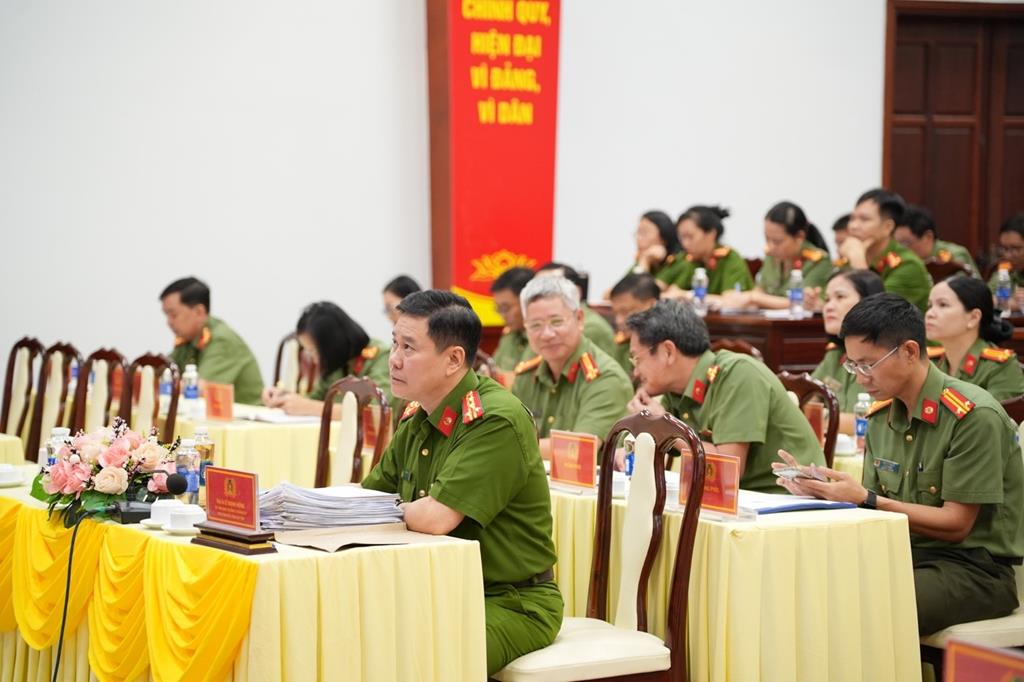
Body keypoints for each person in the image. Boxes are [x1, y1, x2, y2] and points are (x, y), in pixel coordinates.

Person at [773, 293, 1023, 636]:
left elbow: (956, 524)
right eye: (853, 366)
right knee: (799, 578)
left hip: (974, 571)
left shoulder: (972, 416)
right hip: (902, 554)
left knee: (866, 605)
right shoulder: (881, 417)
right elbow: (873, 510)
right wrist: (826, 491)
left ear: (909, 351)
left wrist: (866, 499)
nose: (860, 378)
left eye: (868, 364)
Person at [360, 290, 562, 675]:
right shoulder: (417, 415)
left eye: (408, 347)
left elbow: (436, 518)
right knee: (352, 633)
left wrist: (380, 510)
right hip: (434, 589)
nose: (394, 359)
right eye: (394, 344)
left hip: (509, 600)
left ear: (454, 359)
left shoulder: (494, 419)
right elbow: (370, 495)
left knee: (423, 658)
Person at [625, 299, 825, 492]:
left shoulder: (737, 373)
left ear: (668, 351)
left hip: (788, 498)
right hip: (738, 500)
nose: (635, 372)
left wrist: (663, 426)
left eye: (637, 359)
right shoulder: (675, 389)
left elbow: (728, 471)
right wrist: (628, 448)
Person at [511, 276, 633, 457]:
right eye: (536, 325)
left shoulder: (606, 378)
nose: (547, 334)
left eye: (556, 322)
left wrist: (509, 447)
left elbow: (579, 449)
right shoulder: (526, 376)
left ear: (580, 319)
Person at [261, 302, 391, 416]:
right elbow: (315, 399)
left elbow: (376, 413)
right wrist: (284, 398)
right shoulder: (337, 365)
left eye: (314, 352)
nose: (315, 361)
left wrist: (308, 407)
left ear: (331, 345)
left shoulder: (381, 358)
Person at [161, 277, 264, 405]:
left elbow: (197, 389)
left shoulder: (222, 340)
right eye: (166, 315)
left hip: (250, 415)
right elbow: (165, 371)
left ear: (199, 312)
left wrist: (158, 385)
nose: (169, 322)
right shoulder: (187, 340)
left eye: (173, 315)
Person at [718, 201, 831, 310]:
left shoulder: (819, 261)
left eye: (777, 241)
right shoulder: (771, 255)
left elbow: (804, 303)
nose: (770, 247)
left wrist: (755, 298)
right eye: (767, 238)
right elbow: (761, 290)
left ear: (799, 237)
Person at [926, 276, 1024, 401]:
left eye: (943, 305)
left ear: (973, 318)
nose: (930, 314)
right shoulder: (929, 362)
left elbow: (998, 413)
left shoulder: (999, 367)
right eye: (930, 306)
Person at [811, 270, 887, 432]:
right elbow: (805, 400)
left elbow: (878, 423)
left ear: (868, 302)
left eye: (840, 297)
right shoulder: (835, 355)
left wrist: (821, 417)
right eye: (827, 299)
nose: (829, 306)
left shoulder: (887, 356)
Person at [835, 188, 930, 311]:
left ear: (887, 227)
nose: (853, 226)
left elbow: (877, 312)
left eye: (864, 219)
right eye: (852, 219)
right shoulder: (850, 258)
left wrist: (858, 261)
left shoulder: (908, 265)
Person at [663, 205, 754, 298]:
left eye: (690, 236)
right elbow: (668, 289)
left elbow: (732, 299)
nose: (685, 244)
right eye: (682, 237)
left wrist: (686, 295)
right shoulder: (687, 259)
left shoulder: (729, 258)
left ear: (711, 234)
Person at [535, 262, 617, 357]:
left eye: (550, 289)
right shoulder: (537, 323)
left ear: (575, 292)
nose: (540, 297)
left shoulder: (590, 327)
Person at [894, 205, 979, 277]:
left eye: (905, 243)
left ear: (928, 237)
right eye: (897, 244)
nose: (901, 250)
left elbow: (960, 288)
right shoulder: (899, 260)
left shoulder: (954, 255)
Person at [608, 272, 660, 375]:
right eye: (615, 313)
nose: (619, 321)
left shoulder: (665, 348)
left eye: (625, 311)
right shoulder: (621, 347)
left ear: (652, 305)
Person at [490, 267, 535, 373]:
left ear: (528, 302)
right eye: (498, 308)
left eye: (505, 308)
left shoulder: (545, 339)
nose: (502, 315)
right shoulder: (509, 337)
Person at [628, 210, 686, 285]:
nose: (638, 238)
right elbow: (615, 290)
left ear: (664, 237)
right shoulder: (643, 259)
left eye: (644, 233)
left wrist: (645, 260)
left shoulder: (678, 261)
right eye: (638, 233)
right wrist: (645, 260)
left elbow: (638, 290)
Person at [988, 212, 1024, 306]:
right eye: (1005, 248)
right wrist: (1010, 303)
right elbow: (984, 298)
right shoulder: (1006, 270)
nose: (1008, 255)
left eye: (1016, 248)